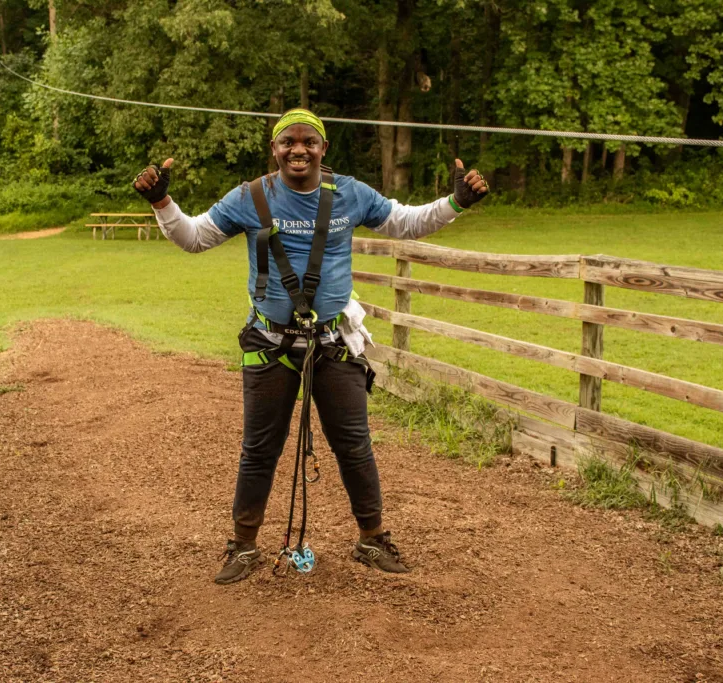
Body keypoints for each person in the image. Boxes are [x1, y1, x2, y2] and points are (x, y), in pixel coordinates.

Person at [133, 108, 488, 585]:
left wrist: (456, 202)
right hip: (270, 342)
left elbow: (406, 223)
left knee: (354, 445)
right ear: (275, 149)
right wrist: (162, 202)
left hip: (332, 342)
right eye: (288, 142)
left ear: (323, 148)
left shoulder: (350, 194)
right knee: (259, 449)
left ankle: (372, 538)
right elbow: (194, 238)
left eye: (308, 142)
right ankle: (243, 545)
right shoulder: (250, 197)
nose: (298, 150)